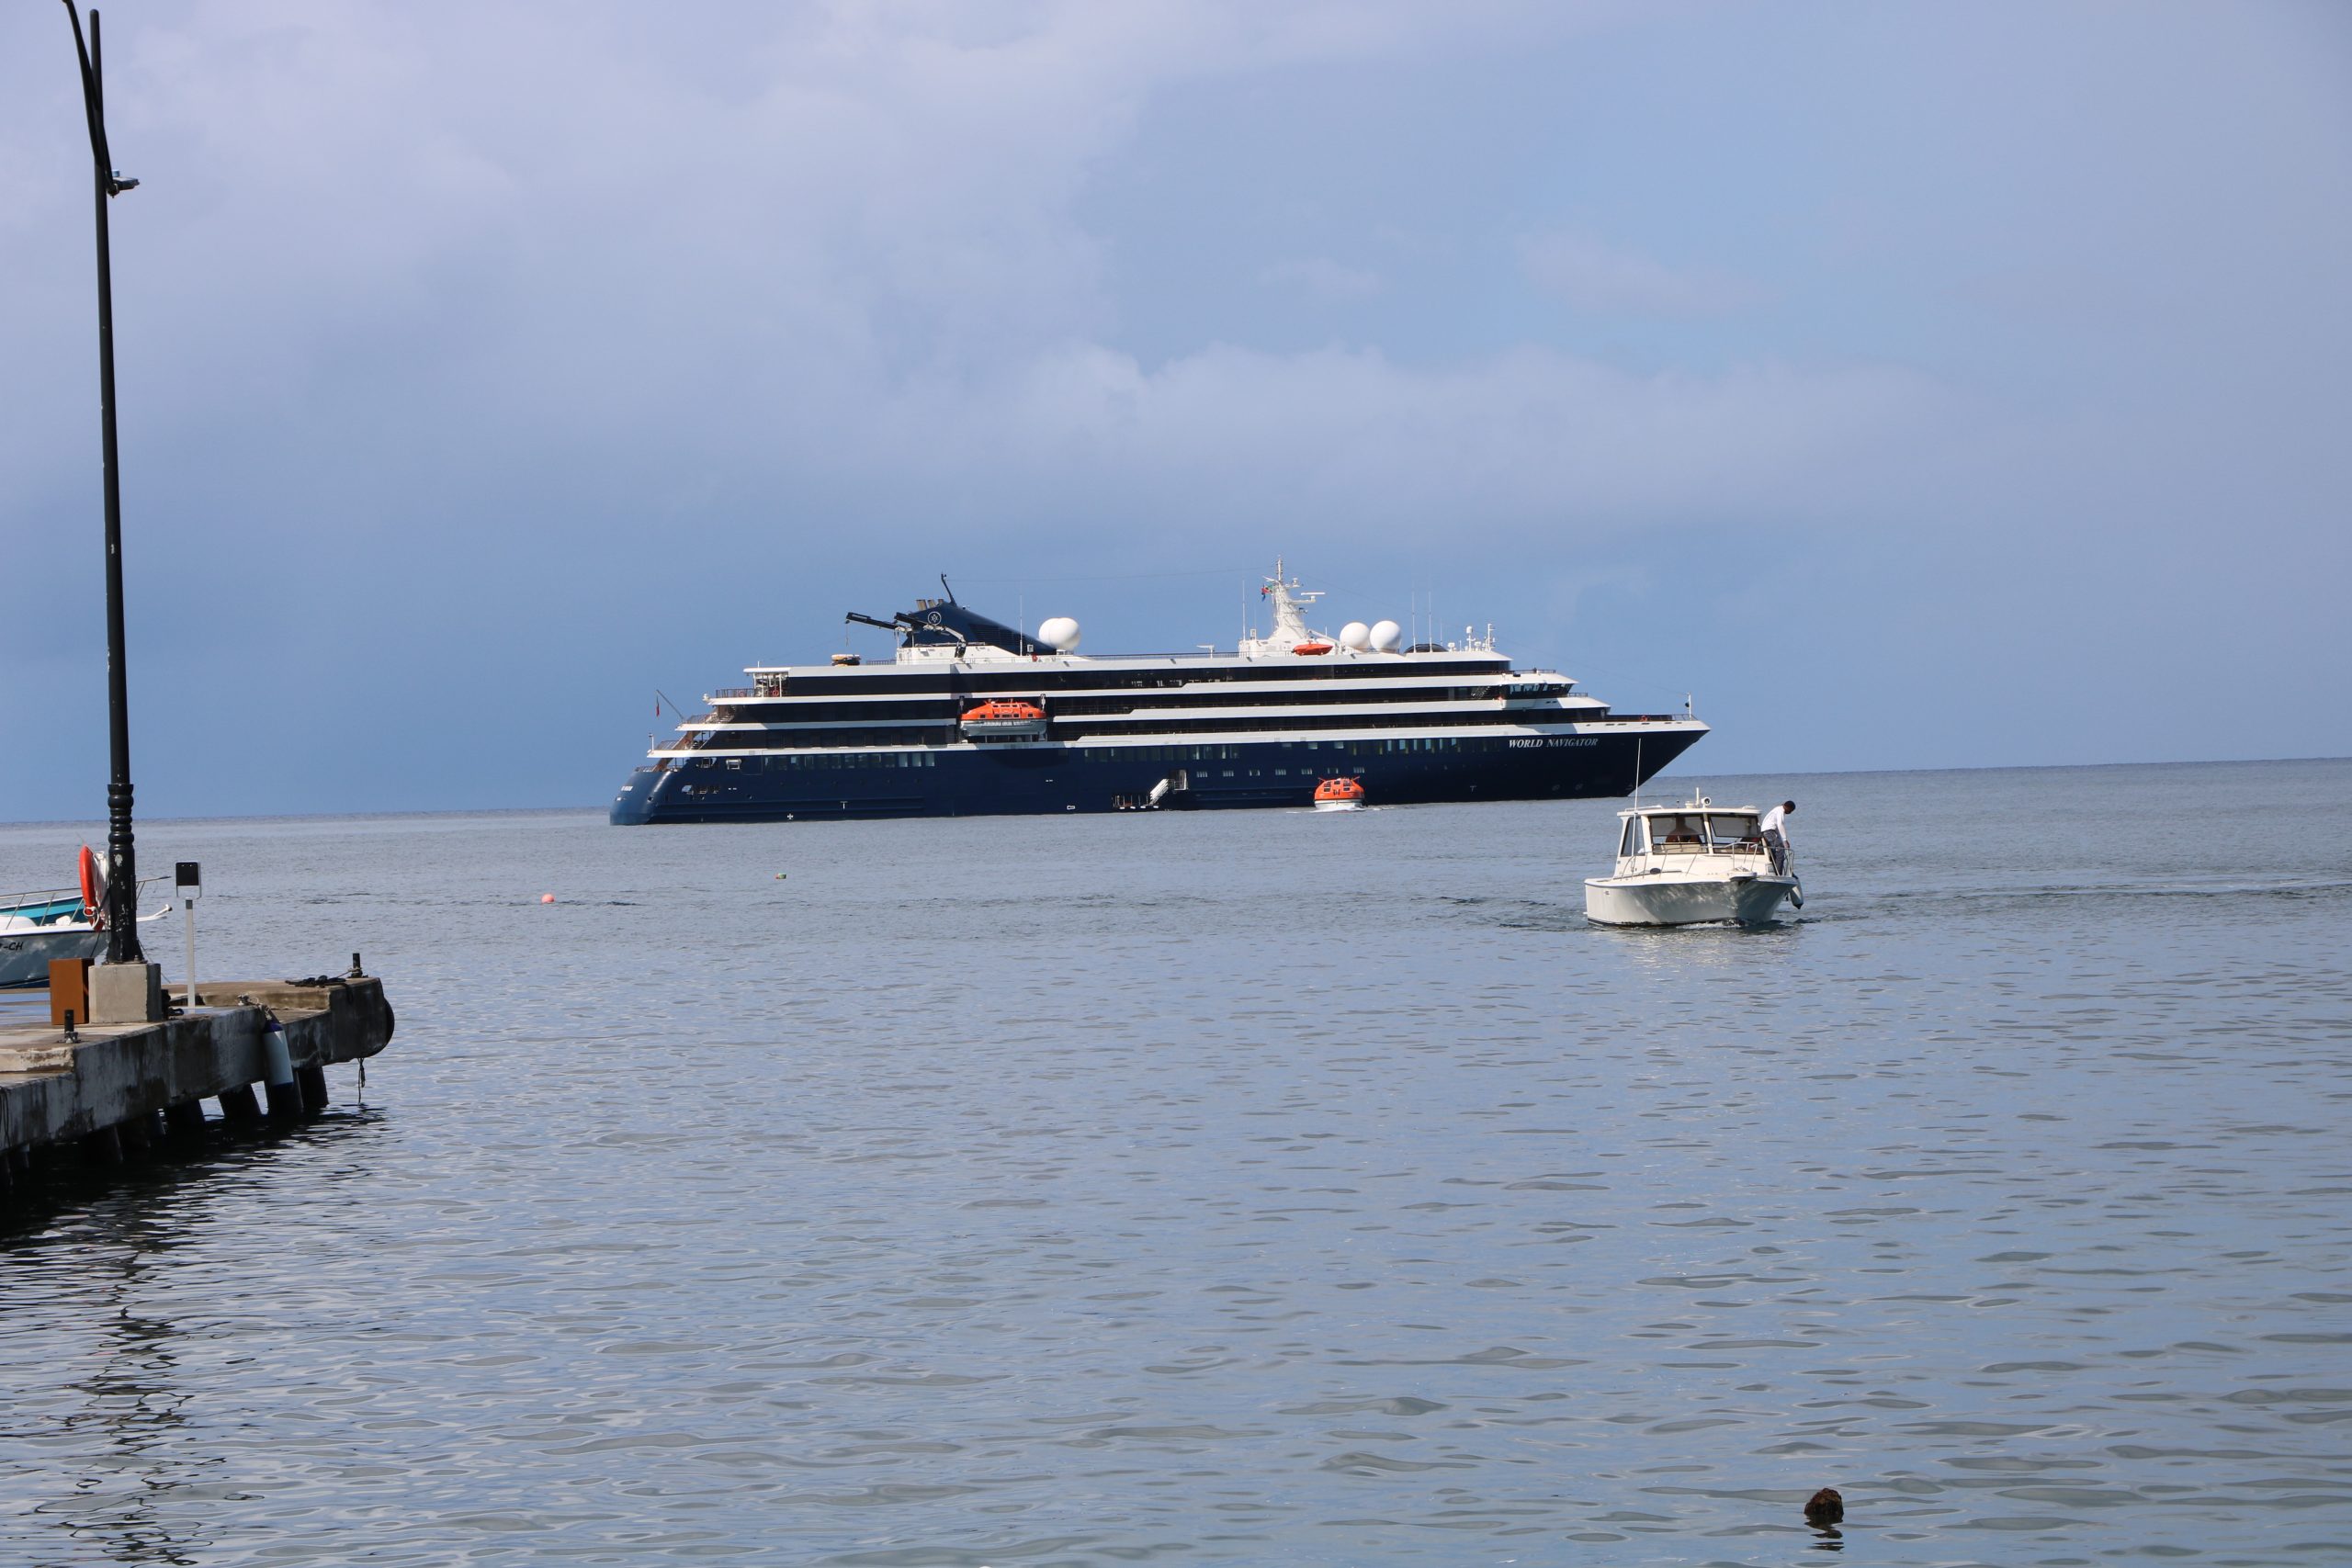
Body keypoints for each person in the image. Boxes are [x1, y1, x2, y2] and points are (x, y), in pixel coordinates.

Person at [1759, 799, 1795, 874]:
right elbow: (1780, 824)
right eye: (1791, 811)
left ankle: (1774, 871)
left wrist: (1784, 839)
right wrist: (1784, 840)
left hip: (1767, 831)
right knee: (1780, 850)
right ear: (1788, 807)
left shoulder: (1777, 809)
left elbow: (1777, 828)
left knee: (1773, 851)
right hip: (1769, 832)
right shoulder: (1781, 810)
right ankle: (1778, 873)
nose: (1790, 813)